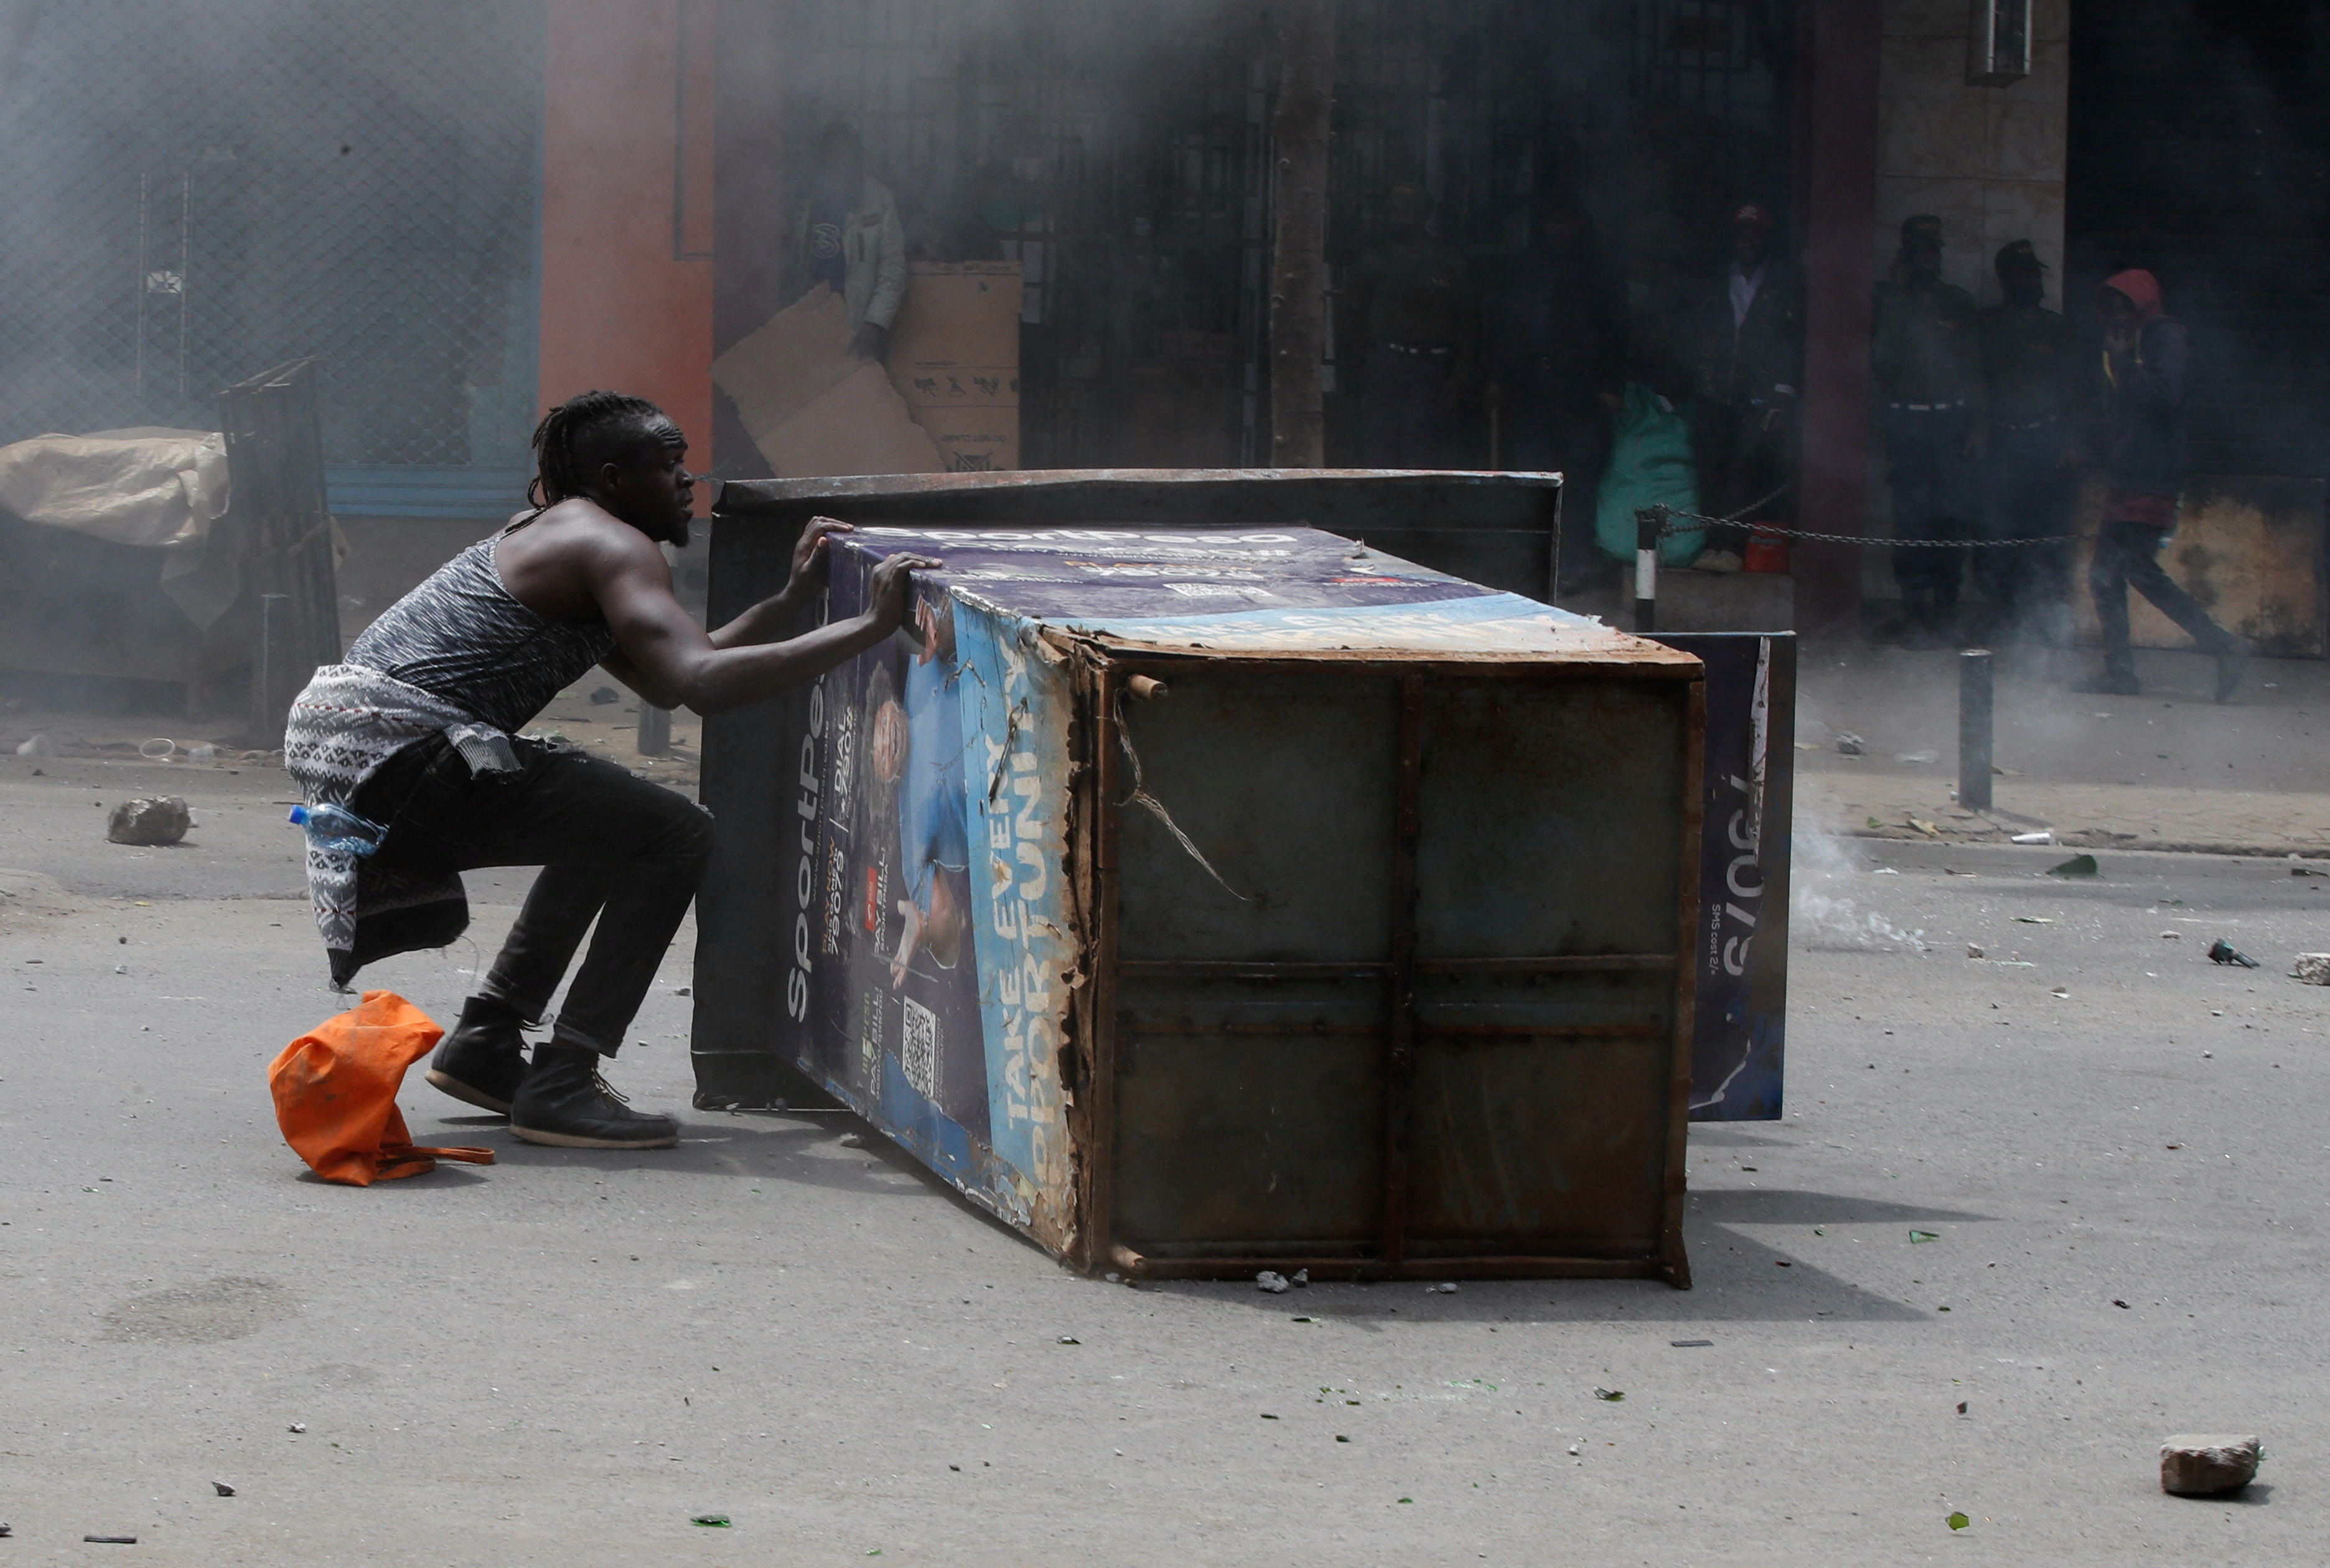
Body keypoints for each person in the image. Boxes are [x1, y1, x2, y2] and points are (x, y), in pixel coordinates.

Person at [281, 391, 936, 1149]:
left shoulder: (565, 535)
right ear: (615, 478)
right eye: (668, 465)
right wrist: (869, 627)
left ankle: (487, 1045)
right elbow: (701, 684)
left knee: (612, 821)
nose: (688, 481)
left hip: (361, 747)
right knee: (676, 833)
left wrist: (792, 600)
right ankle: (564, 1076)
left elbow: (670, 678)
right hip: (397, 748)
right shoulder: (612, 544)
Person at [2082, 269, 2245, 699]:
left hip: (2151, 475)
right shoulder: (2133, 342)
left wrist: (2121, 365)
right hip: (2129, 473)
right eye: (2111, 306)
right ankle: (2120, 673)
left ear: (2143, 303)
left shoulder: (2165, 337)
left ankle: (2223, 645)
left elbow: (2165, 397)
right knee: (2105, 575)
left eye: (2125, 305)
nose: (2118, 315)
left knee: (2135, 569)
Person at [1489, 203, 1621, 586]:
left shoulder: (1598, 273)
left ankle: (1574, 564)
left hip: (1581, 392)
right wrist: (1499, 378)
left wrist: (1611, 386)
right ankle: (1533, 563)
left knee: (1579, 479)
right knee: (1535, 478)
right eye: (1553, 220)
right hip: (1534, 389)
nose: (1558, 228)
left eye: (1565, 220)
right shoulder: (1531, 271)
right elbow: (1510, 327)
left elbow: (1616, 331)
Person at [1873, 214, 1980, 646]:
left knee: (1951, 516)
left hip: (1950, 421)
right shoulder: (1890, 302)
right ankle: (1913, 609)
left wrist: (1979, 426)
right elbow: (1880, 361)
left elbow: (1975, 369)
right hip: (1907, 420)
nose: (1926, 259)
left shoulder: (1958, 302)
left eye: (1932, 251)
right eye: (1917, 251)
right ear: (1905, 255)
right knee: (1911, 518)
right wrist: (1898, 295)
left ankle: (1946, 609)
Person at [1973, 240, 2080, 640]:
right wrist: (1979, 430)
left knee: (2047, 536)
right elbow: (1974, 381)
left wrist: (2073, 440)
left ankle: (2044, 625)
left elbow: (2074, 389)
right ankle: (2002, 617)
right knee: (1997, 536)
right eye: (2025, 273)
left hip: (2047, 442)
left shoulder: (2057, 328)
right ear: (2006, 278)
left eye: (2037, 273)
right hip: (2002, 444)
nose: (2034, 280)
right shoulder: (1986, 326)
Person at [1688, 203, 1804, 562]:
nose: (1748, 241)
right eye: (1742, 234)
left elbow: (1793, 339)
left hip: (1757, 396)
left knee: (1745, 469)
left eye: (1755, 234)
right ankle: (1711, 543)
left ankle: (1733, 546)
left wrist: (1783, 393)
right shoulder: (1714, 280)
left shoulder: (1783, 284)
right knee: (1711, 467)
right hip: (1713, 392)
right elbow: (1692, 333)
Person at [1342, 182, 1479, 467]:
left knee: (1422, 450)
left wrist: (1459, 376)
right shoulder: (1373, 259)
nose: (1402, 215)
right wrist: (1356, 370)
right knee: (1377, 448)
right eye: (1397, 209)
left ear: (1424, 214)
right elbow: (1351, 316)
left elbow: (1469, 321)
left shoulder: (1447, 261)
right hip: (1384, 364)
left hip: (1430, 370)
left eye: (1409, 209)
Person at [792, 122, 907, 360]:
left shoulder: (878, 198)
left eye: (846, 154)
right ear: (823, 157)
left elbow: (893, 268)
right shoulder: (807, 197)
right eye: (833, 154)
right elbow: (792, 264)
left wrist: (874, 323)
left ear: (858, 157)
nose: (840, 161)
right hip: (812, 318)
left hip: (858, 321)